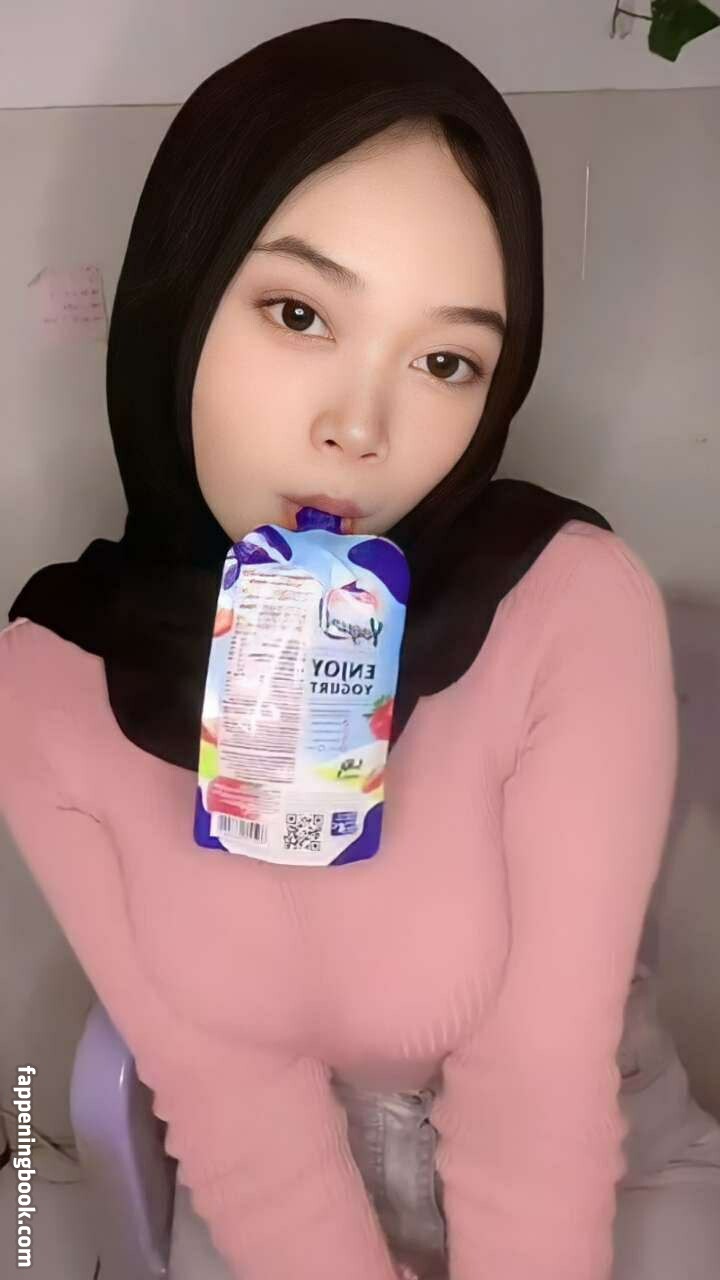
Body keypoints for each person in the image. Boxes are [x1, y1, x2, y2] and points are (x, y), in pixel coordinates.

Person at [2, 17, 719, 1280]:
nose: (361, 427)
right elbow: (231, 1105)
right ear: (180, 296)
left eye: (446, 360)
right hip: (287, 1185)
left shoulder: (565, 603)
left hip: (597, 1159)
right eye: (299, 312)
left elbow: (539, 1095)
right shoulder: (49, 687)